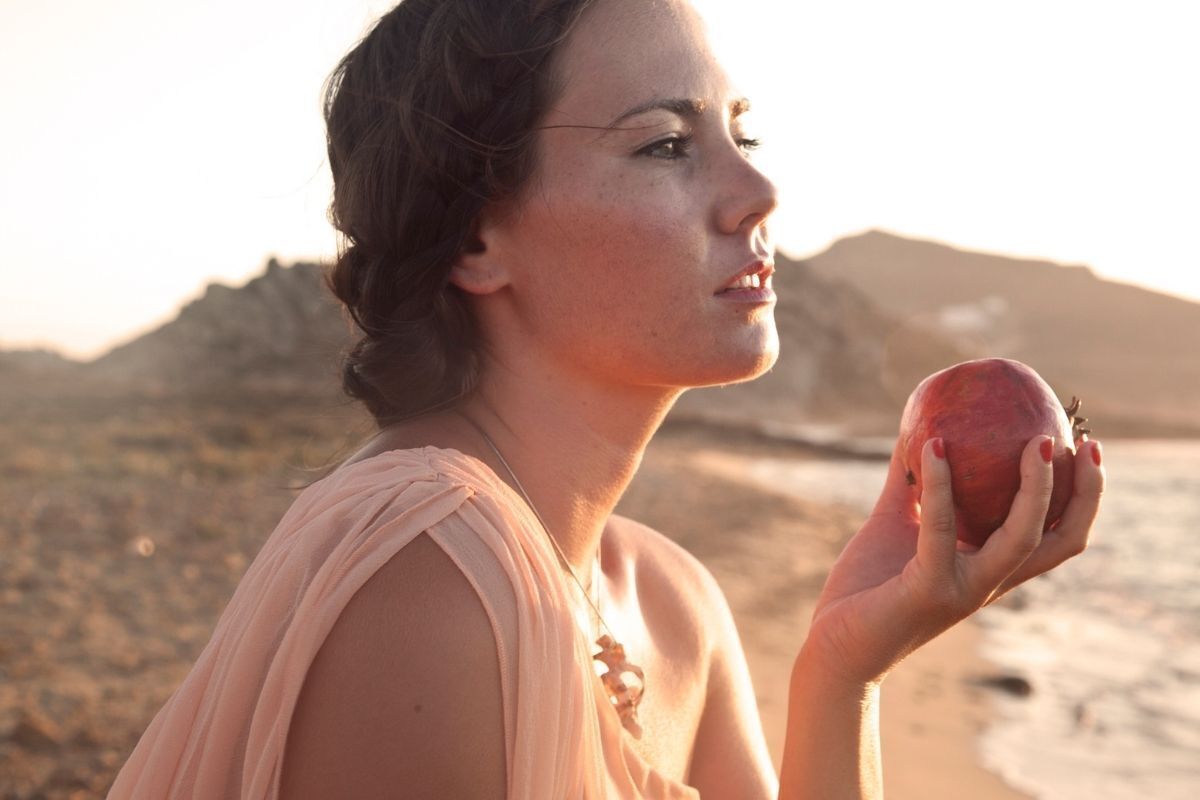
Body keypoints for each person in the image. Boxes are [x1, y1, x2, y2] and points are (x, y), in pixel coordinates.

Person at [108, 0, 1106, 797]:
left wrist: (848, 666)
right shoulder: (423, 574)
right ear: (474, 238)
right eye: (666, 143)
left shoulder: (670, 600)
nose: (758, 188)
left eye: (739, 130)